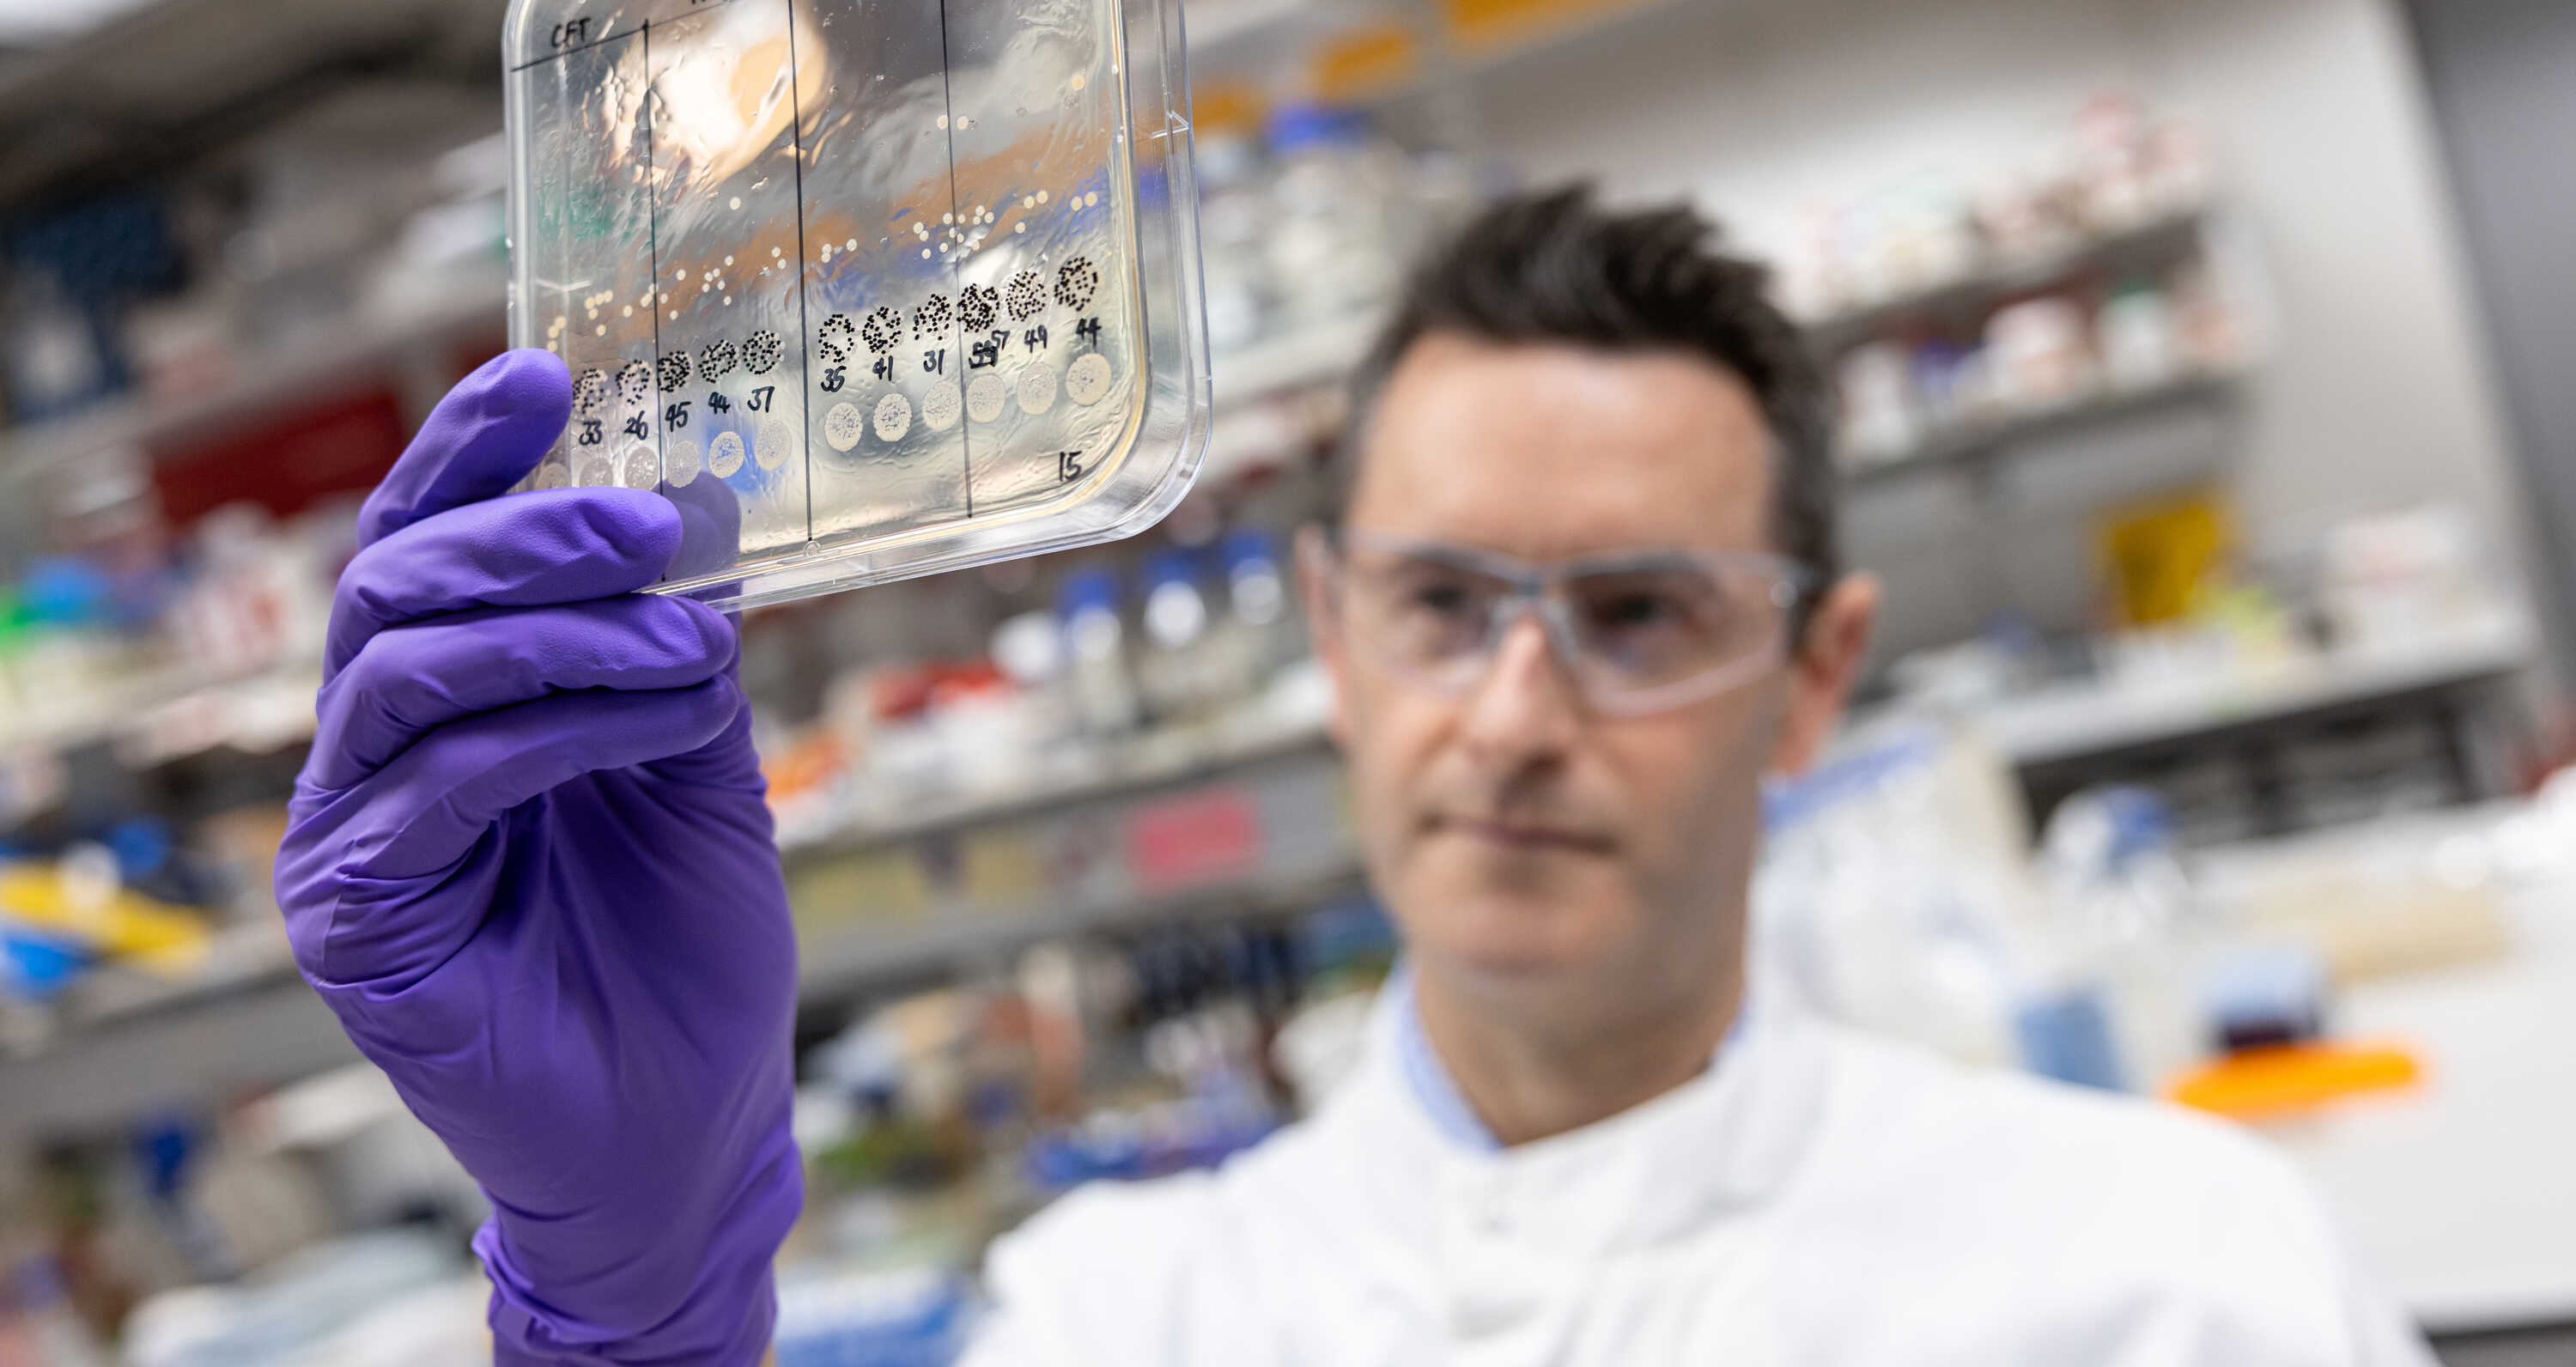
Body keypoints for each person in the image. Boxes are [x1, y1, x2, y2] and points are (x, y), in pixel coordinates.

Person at [281, 189, 2431, 1365]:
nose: (1512, 715)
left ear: (1812, 677)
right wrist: (637, 1312)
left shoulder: (2170, 1279)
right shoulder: (1121, 1318)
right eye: (1441, 602)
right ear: (1330, 627)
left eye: (1640, 613)